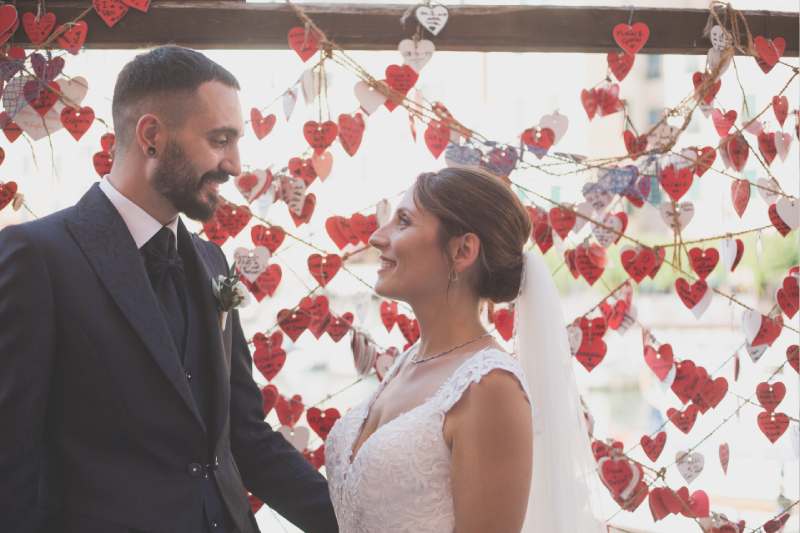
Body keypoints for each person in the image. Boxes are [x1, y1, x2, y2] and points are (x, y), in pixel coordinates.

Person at [0, 46, 337, 533]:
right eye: (220, 140)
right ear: (152, 136)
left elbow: (243, 435)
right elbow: (10, 458)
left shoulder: (211, 260)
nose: (236, 164)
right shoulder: (37, 257)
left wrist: (360, 523)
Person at [325, 167, 605, 532]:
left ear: (462, 250)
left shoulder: (489, 388)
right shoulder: (408, 361)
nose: (378, 237)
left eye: (404, 221)